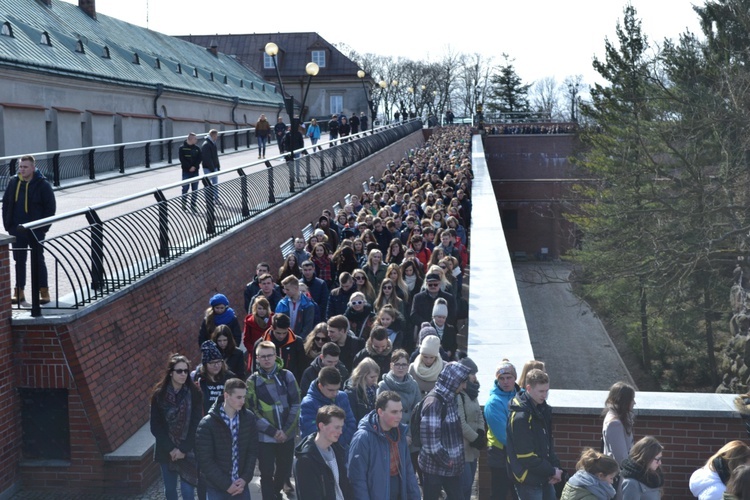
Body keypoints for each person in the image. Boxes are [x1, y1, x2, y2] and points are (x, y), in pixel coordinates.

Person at [246, 341, 301, 500]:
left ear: (276, 356)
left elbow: (296, 403)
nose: (266, 359)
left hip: (287, 435)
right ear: (257, 359)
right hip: (265, 437)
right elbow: (252, 411)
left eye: (269, 355)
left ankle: (276, 492)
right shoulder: (252, 381)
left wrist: (286, 431)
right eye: (262, 357)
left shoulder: (287, 376)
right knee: (266, 472)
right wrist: (273, 431)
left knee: (284, 469)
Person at [347, 390, 422, 500]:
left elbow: (408, 471)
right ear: (380, 412)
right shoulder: (363, 438)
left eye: (401, 411)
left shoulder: (399, 433)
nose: (399, 416)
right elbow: (357, 479)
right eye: (394, 412)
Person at [2, 154, 56, 304]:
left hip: (35, 230)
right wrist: (9, 225)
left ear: (33, 167)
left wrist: (43, 228)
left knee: (38, 260)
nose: (22, 169)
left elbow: (50, 208)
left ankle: (44, 292)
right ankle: (19, 292)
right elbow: (6, 204)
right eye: (20, 166)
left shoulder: (42, 184)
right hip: (17, 230)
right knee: (19, 261)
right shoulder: (13, 182)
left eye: (25, 167)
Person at [195, 378, 259, 500]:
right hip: (217, 488)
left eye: (244, 397)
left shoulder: (248, 418)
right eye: (239, 397)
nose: (242, 401)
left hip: (241, 486)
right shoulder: (207, 423)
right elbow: (205, 460)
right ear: (226, 395)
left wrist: (245, 478)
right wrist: (227, 485)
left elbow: (253, 451)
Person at [150, 354, 203, 500]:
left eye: (186, 371)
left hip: (188, 448)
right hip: (166, 449)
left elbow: (196, 423)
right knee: (170, 490)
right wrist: (172, 449)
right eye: (179, 371)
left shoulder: (194, 393)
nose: (183, 374)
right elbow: (156, 426)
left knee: (188, 491)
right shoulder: (159, 395)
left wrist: (183, 449)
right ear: (171, 372)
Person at [418, 361, 473, 500]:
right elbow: (430, 443)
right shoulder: (434, 403)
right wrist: (447, 461)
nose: (464, 386)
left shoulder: (450, 398)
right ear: (452, 382)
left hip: (451, 469)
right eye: (462, 383)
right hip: (435, 469)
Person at [507, 368, 562, 500]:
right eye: (541, 391)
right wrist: (552, 471)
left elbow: (548, 444)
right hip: (528, 478)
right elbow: (525, 456)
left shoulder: (541, 409)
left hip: (543, 475)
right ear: (529, 388)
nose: (544, 395)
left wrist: (555, 467)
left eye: (547, 391)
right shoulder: (521, 416)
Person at [294, 405, 355, 500]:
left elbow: (345, 487)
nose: (341, 432)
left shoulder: (337, 450)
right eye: (336, 427)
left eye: (341, 427)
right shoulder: (305, 460)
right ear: (322, 426)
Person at [485, 360, 520, 500]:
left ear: (515, 378)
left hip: (519, 452)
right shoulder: (493, 402)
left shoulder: (522, 395)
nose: (505, 382)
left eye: (509, 377)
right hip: (500, 453)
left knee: (519, 493)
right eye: (501, 378)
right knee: (499, 492)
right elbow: (503, 435)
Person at [300, 366, 357, 449]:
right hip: (320, 452)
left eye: (337, 389)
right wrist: (334, 444)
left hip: (343, 450)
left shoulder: (342, 396)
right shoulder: (308, 404)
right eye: (330, 390)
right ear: (320, 386)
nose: (335, 393)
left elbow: (351, 422)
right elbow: (311, 432)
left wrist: (341, 443)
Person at [455, 356, 485, 500]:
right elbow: (460, 423)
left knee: (468, 486)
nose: (475, 377)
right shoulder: (458, 395)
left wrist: (481, 432)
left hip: (473, 449)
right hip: (462, 449)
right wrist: (475, 438)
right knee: (463, 486)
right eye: (473, 374)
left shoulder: (473, 393)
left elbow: (479, 415)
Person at [603, 382, 636, 499]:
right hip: (618, 476)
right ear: (624, 400)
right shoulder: (615, 423)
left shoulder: (619, 418)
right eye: (632, 399)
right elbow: (621, 457)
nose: (634, 403)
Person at [251, 313, 306, 382]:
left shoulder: (297, 342)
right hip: (267, 386)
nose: (281, 336)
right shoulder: (260, 344)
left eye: (284, 333)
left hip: (291, 385)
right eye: (278, 333)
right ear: (271, 328)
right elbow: (255, 370)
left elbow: (302, 367)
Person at [194, 341, 236, 414]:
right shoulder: (199, 380)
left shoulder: (230, 377)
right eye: (212, 363)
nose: (216, 366)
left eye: (218, 362)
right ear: (205, 365)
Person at [344, 357, 380, 422]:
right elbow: (351, 418)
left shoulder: (376, 390)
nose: (375, 380)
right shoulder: (351, 393)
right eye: (372, 377)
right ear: (362, 376)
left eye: (376, 376)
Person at [410, 332, 445, 396]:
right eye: (425, 357)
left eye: (432, 357)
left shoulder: (445, 368)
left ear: (436, 356)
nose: (428, 361)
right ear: (421, 354)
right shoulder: (412, 368)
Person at [243, 297, 273, 370]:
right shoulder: (250, 322)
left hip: (270, 353)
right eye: (259, 308)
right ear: (255, 309)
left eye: (264, 308)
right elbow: (246, 340)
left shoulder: (273, 320)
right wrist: (255, 351)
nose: (262, 311)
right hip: (255, 354)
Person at [178, 133, 201, 211]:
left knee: (195, 189)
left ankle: (193, 205)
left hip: (195, 171)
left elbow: (199, 159)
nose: (196, 140)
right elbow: (182, 159)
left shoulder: (197, 148)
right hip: (186, 171)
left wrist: (194, 166)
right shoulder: (182, 148)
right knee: (185, 188)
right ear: (190, 139)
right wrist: (189, 167)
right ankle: (184, 204)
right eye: (195, 139)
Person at [201, 129, 220, 201]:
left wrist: (218, 166)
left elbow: (215, 157)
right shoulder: (206, 144)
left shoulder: (212, 143)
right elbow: (207, 158)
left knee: (215, 184)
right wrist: (212, 168)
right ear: (213, 135)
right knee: (208, 184)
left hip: (214, 167)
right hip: (208, 168)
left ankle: (216, 198)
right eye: (216, 136)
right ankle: (208, 199)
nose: (217, 137)